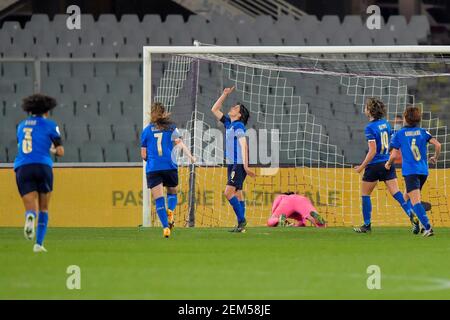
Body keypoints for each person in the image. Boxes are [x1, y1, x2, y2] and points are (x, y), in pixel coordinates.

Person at [353, 98, 418, 234]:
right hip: (387, 163)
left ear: (370, 111)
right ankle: (412, 215)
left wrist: (361, 167)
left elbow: (372, 151)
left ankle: (366, 225)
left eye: (366, 107)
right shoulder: (386, 124)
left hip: (374, 165)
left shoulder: (369, 128)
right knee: (397, 193)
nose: (364, 109)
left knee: (365, 194)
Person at [14, 94, 64, 253]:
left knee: (31, 207)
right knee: (44, 208)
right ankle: (39, 244)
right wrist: (53, 149)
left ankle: (29, 216)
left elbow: (22, 145)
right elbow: (60, 152)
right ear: (47, 110)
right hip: (43, 166)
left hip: (23, 167)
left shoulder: (21, 125)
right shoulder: (51, 125)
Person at [141, 102, 195, 238]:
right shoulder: (171, 128)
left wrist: (152, 161)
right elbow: (180, 143)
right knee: (172, 192)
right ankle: (170, 210)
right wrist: (190, 156)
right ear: (164, 114)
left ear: (152, 114)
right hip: (169, 166)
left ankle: (165, 228)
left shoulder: (146, 131)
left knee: (158, 198)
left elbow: (143, 155)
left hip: (153, 168)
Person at [385, 106, 441, 237]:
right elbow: (438, 145)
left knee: (415, 201)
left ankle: (427, 227)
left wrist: (388, 164)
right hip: (423, 171)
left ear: (405, 118)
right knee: (406, 198)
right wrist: (435, 157)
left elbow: (393, 156)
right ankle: (417, 220)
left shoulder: (399, 134)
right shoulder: (422, 131)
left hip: (411, 172)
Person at [211, 86, 255, 233]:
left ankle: (242, 220)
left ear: (239, 114)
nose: (232, 108)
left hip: (238, 164)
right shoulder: (230, 123)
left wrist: (246, 167)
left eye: (235, 108)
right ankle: (240, 226)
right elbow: (215, 109)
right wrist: (224, 94)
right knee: (237, 194)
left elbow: (244, 145)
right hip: (232, 164)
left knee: (228, 193)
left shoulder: (238, 125)